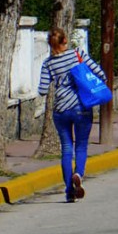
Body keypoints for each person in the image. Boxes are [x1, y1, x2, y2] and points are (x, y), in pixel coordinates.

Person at [37, 27, 107, 203]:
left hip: (60, 111)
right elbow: (100, 73)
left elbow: (43, 90)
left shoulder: (48, 63)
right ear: (65, 41)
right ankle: (78, 174)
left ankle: (69, 191)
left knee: (66, 149)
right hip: (81, 107)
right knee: (81, 146)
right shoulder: (78, 54)